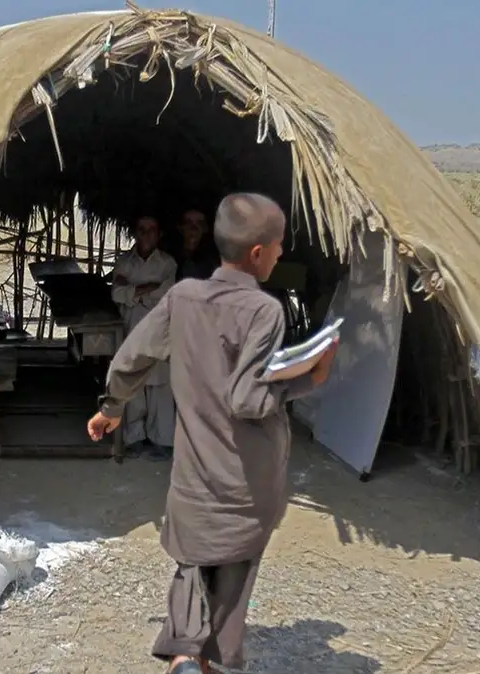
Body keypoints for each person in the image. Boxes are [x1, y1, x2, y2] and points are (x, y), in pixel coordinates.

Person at [87, 193, 338, 673]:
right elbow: (247, 399)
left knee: (194, 559)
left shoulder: (183, 297)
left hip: (195, 465)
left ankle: (184, 652)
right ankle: (213, 659)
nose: (283, 252)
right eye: (279, 244)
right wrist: (310, 377)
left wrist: (111, 407)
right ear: (258, 254)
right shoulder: (263, 310)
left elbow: (133, 356)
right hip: (247, 469)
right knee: (234, 566)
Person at [110, 215, 178, 458]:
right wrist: (149, 288)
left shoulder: (168, 263)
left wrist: (132, 291)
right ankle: (134, 437)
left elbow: (167, 293)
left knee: (161, 385)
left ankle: (162, 438)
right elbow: (116, 294)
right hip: (131, 329)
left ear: (159, 234)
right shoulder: (124, 262)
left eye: (151, 230)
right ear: (135, 233)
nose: (146, 234)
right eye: (142, 229)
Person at [174, 209, 218, 281]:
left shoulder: (214, 263)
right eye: (188, 222)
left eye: (200, 223)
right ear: (180, 227)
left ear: (206, 228)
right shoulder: (168, 260)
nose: (194, 228)